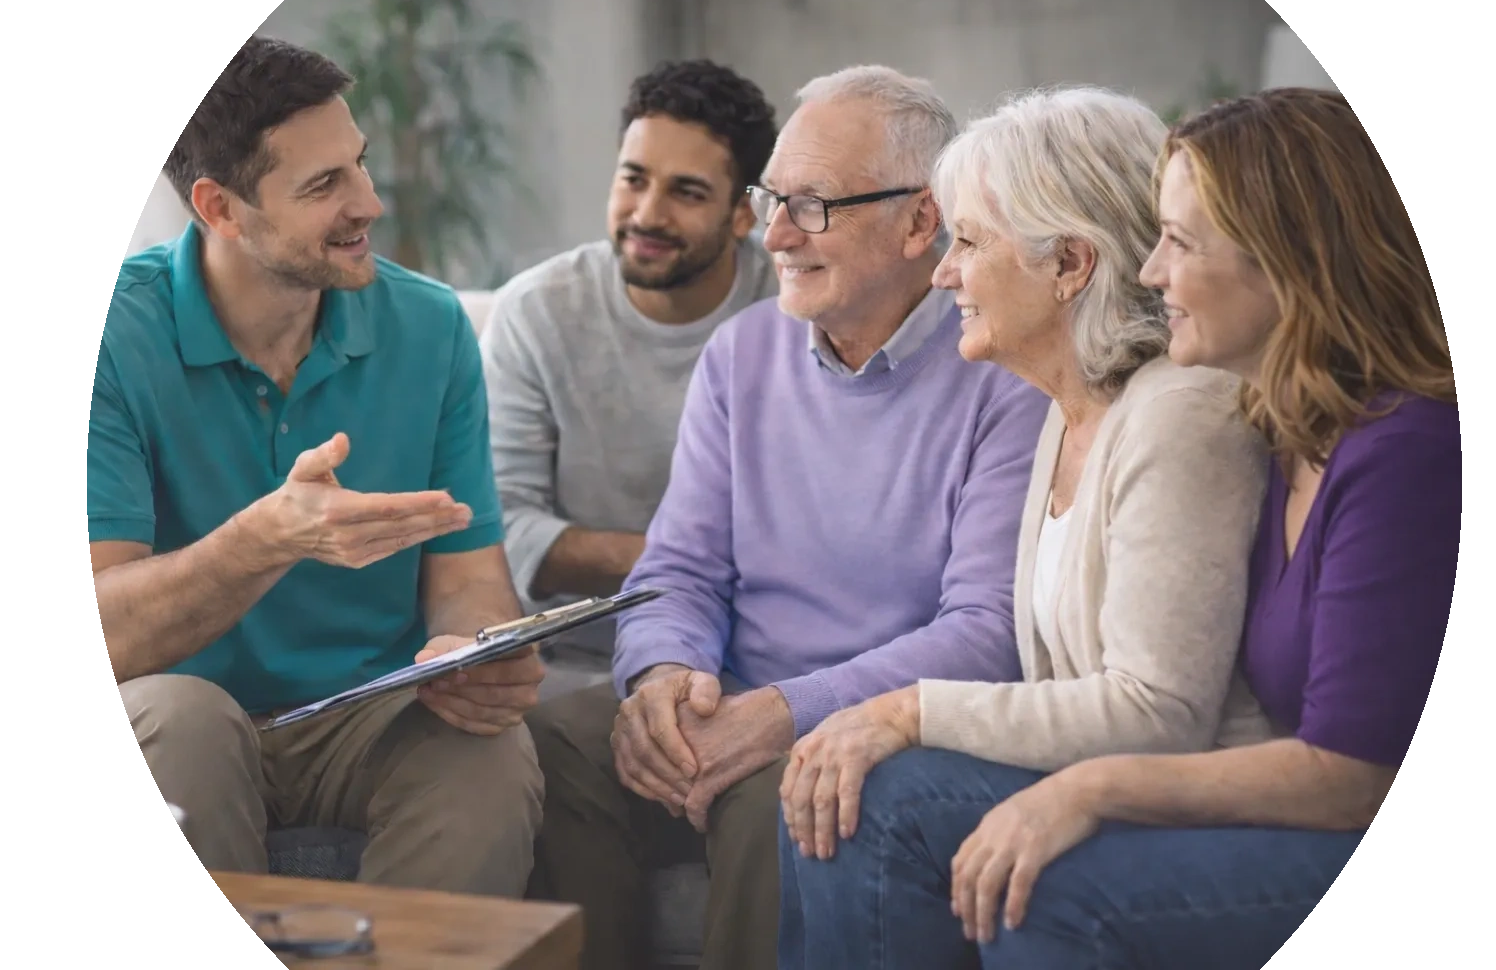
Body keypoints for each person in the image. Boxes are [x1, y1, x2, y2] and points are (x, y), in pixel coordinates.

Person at [789, 86, 1461, 969]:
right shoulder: (1244, 426)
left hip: (1297, 806)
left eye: (1180, 241)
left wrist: (1072, 786)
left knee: (1016, 873)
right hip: (1248, 792)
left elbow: (1328, 765)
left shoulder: (1374, 445)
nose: (1151, 267)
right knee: (864, 788)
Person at [524, 65, 1051, 970]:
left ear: (920, 221)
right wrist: (661, 677)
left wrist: (789, 711)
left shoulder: (1003, 371)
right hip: (723, 695)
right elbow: (679, 569)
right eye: (772, 199)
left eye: (810, 207)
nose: (771, 234)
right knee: (560, 746)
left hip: (866, 724)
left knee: (787, 787)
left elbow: (987, 631)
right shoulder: (742, 354)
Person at [89, 35, 545, 897]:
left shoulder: (432, 326)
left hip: (364, 718)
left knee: (483, 749)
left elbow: (466, 576)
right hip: (184, 706)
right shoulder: (116, 338)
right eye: (324, 185)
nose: (369, 202)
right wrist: (266, 538)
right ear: (220, 208)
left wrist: (472, 650)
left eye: (360, 166)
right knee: (175, 722)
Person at [479, 59, 780, 659]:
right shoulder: (538, 313)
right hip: (573, 660)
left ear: (744, 212)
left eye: (687, 192)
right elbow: (498, 525)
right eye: (633, 179)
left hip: (761, 659)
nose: (646, 214)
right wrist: (685, 565)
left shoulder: (795, 309)